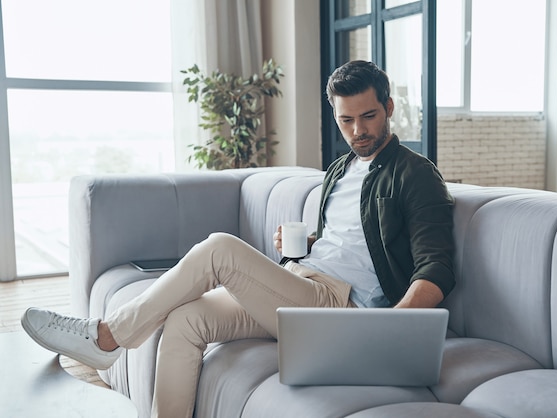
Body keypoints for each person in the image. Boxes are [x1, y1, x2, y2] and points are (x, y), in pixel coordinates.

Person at [21, 60, 455, 418]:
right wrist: (299, 247)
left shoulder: (415, 174)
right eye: (346, 120)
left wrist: (390, 332)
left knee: (219, 248)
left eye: (368, 116)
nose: (357, 130)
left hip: (338, 308)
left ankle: (105, 337)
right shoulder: (340, 169)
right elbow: (351, 241)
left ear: (390, 107)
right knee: (186, 320)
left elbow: (435, 267)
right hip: (303, 282)